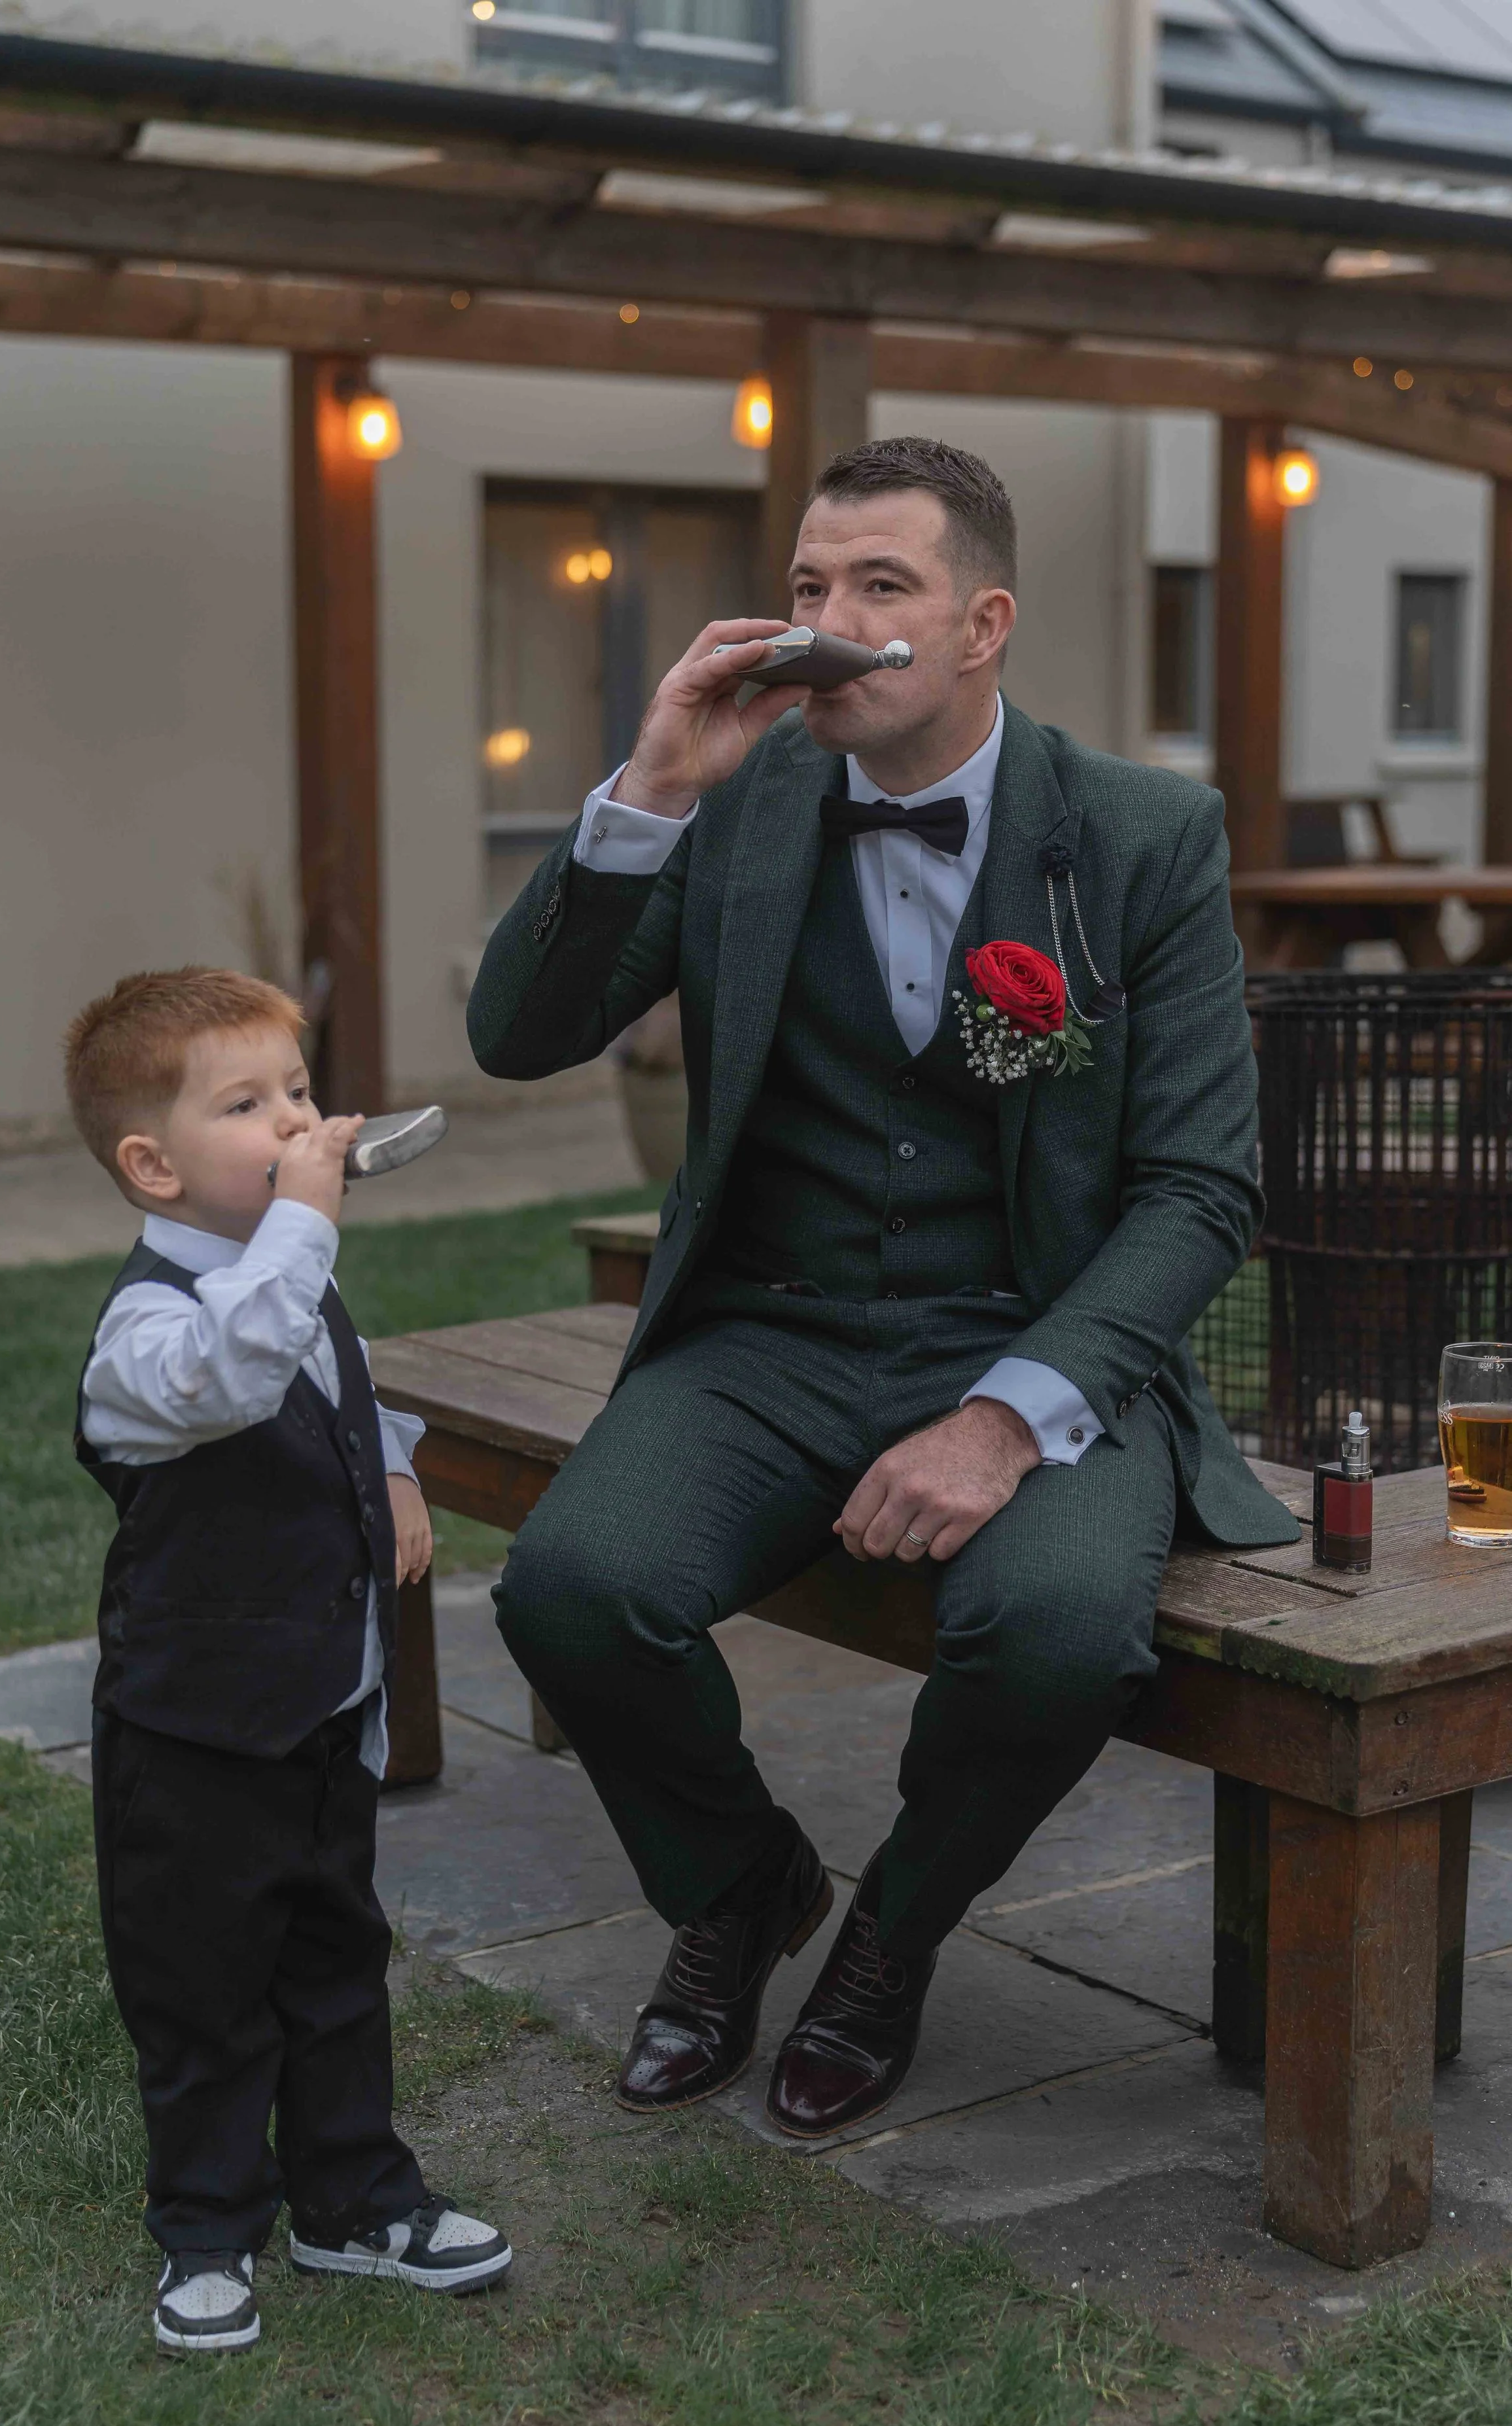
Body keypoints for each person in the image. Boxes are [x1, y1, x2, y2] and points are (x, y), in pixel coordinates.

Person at [469, 434, 1297, 2142]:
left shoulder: (1138, 834)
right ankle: (739, 1884)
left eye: (876, 586)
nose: (823, 623)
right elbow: (517, 1036)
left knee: (1055, 1636)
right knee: (572, 1586)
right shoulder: (735, 803)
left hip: (1030, 1339)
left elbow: (1200, 1189)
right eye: (803, 585)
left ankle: (889, 1938)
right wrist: (649, 788)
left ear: (981, 624)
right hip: (768, 1326)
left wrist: (1002, 1420)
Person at [66, 967, 511, 2355]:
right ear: (154, 1166)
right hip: (196, 1740)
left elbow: (331, 1374)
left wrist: (394, 1465)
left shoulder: (287, 1279)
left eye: (302, 1092)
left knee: (335, 1963)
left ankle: (352, 2198)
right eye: (249, 1104)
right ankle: (207, 2229)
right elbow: (235, 1372)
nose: (300, 1123)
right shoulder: (149, 1333)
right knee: (203, 1993)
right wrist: (309, 1219)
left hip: (322, 1715)